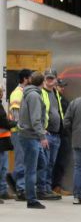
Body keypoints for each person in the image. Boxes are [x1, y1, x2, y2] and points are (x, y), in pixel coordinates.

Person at [17, 71, 49, 209]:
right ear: (43, 82)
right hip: (31, 137)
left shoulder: (29, 93)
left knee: (41, 163)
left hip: (31, 136)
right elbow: (35, 119)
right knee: (31, 169)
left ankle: (23, 180)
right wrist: (42, 136)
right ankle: (31, 200)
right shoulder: (34, 96)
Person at [37, 69, 64, 200]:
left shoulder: (55, 93)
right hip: (47, 134)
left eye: (51, 78)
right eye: (47, 78)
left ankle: (47, 188)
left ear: (55, 79)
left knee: (51, 163)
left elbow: (58, 111)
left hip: (56, 134)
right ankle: (42, 189)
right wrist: (42, 130)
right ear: (43, 79)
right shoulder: (40, 93)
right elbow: (38, 114)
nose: (49, 81)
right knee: (44, 163)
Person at [6, 68, 32, 199]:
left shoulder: (25, 92)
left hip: (23, 132)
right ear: (26, 79)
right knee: (21, 160)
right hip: (19, 132)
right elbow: (16, 116)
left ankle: (14, 178)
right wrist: (23, 128)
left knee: (24, 161)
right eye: (30, 77)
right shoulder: (18, 93)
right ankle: (21, 190)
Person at [0, 86, 12, 202]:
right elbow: (3, 122)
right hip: (1, 140)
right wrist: (13, 123)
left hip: (3, 140)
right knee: (2, 167)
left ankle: (3, 191)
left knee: (3, 167)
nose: (3, 94)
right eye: (2, 92)